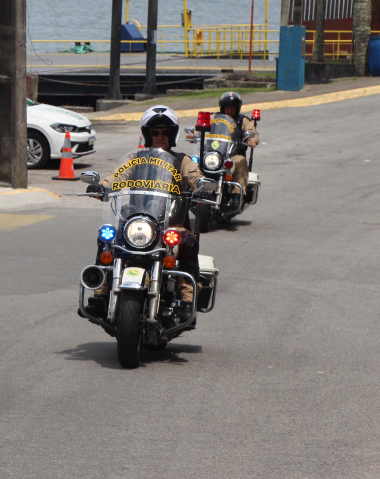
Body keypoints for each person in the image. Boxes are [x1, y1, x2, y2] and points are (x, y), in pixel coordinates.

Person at [87, 105, 206, 318]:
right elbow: (117, 176)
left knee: (187, 243)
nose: (160, 136)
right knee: (107, 238)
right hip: (137, 220)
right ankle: (100, 294)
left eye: (165, 132)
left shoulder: (182, 161)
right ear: (147, 135)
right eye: (155, 132)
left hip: (172, 222)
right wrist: (102, 186)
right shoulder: (135, 159)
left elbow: (195, 177)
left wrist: (202, 187)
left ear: (172, 134)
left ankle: (188, 299)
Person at [217, 91, 259, 197]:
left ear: (237, 109)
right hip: (215, 153)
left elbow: (252, 131)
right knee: (197, 159)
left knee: (240, 161)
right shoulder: (214, 117)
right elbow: (200, 126)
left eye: (232, 108)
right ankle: (196, 190)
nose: (230, 111)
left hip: (233, 155)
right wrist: (194, 134)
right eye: (227, 108)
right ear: (222, 108)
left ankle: (237, 193)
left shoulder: (242, 120)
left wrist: (252, 139)